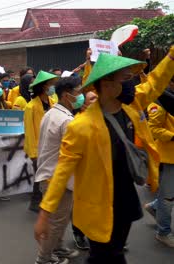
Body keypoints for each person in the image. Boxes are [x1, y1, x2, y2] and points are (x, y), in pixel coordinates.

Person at [35, 48, 174, 263]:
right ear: (107, 84)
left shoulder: (131, 105)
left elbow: (154, 83)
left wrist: (171, 57)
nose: (132, 84)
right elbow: (62, 170)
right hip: (97, 205)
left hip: (125, 198)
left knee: (115, 252)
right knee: (103, 256)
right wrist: (45, 213)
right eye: (126, 79)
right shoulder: (81, 126)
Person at [33, 77, 83, 264]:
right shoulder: (66, 120)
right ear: (66, 95)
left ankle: (58, 247)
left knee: (59, 219)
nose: (81, 96)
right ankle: (44, 257)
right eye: (78, 92)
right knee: (56, 222)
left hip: (49, 173)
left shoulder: (52, 113)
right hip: (57, 178)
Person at [24, 71, 59, 212]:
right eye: (51, 85)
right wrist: (33, 153)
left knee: (47, 176)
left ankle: (41, 201)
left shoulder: (54, 104)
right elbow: (29, 132)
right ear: (44, 87)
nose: (53, 87)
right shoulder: (30, 107)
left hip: (52, 146)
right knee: (41, 176)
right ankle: (36, 202)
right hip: (38, 148)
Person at [147, 76, 174, 247]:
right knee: (168, 197)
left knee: (168, 194)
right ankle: (163, 232)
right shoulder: (160, 102)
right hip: (168, 157)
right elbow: (153, 129)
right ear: (170, 83)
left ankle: (155, 206)